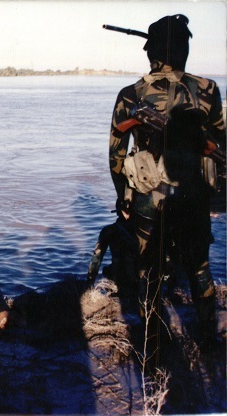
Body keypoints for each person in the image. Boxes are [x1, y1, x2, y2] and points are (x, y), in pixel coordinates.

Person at [108, 15, 226, 348]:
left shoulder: (130, 93)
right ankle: (209, 343)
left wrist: (123, 199)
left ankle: (152, 346)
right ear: (183, 50)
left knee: (149, 272)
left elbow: (116, 155)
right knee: (199, 269)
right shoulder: (208, 89)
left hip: (148, 197)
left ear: (152, 52)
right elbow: (221, 146)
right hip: (193, 195)